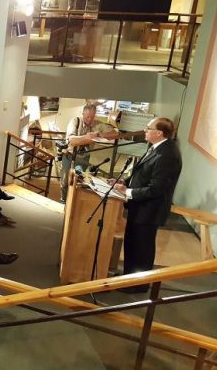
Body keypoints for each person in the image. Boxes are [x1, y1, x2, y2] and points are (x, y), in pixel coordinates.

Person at [112, 118, 182, 293]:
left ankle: (138, 285)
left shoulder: (168, 155)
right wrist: (123, 182)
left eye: (148, 128)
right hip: (140, 207)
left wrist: (127, 192)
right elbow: (141, 174)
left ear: (159, 133)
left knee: (142, 247)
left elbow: (156, 189)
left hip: (150, 210)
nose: (145, 130)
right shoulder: (156, 147)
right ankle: (128, 278)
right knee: (132, 243)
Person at [60, 105, 119, 203]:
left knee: (78, 179)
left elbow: (115, 133)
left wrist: (102, 134)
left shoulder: (97, 124)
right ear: (83, 114)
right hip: (70, 156)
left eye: (92, 117)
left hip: (83, 158)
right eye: (87, 117)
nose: (90, 119)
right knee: (65, 180)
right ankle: (63, 200)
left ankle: (72, 201)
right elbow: (71, 140)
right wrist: (87, 137)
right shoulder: (75, 122)